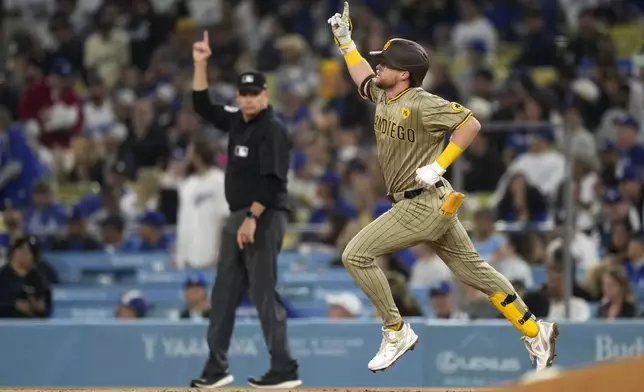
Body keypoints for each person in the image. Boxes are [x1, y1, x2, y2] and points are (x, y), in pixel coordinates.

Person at [328, 1, 558, 373]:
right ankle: (535, 329)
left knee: (355, 254)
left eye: (385, 63)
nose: (379, 66)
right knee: (474, 271)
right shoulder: (385, 94)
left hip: (421, 203)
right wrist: (346, 45)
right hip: (432, 202)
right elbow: (361, 78)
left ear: (405, 74)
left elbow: (470, 124)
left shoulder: (422, 102)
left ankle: (395, 329)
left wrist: (439, 164)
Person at [190, 31, 301, 389]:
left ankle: (284, 367)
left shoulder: (273, 130)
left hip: (263, 216)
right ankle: (216, 366)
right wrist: (200, 63)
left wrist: (253, 218)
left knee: (263, 291)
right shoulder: (238, 120)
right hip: (237, 216)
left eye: (254, 93)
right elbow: (202, 105)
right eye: (243, 94)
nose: (249, 99)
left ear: (266, 95)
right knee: (223, 292)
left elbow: (273, 181)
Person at [174, 140, 229, 268]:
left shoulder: (219, 180)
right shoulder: (188, 184)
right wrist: (178, 254)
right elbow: (183, 221)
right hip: (187, 255)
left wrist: (221, 252)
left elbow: (225, 219)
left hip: (211, 253)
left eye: (190, 153)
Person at [0, 236, 52, 318]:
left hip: (33, 325)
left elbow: (47, 304)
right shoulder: (3, 276)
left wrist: (40, 307)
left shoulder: (38, 277)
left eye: (31, 252)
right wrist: (13, 306)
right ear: (15, 252)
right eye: (24, 251)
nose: (29, 256)